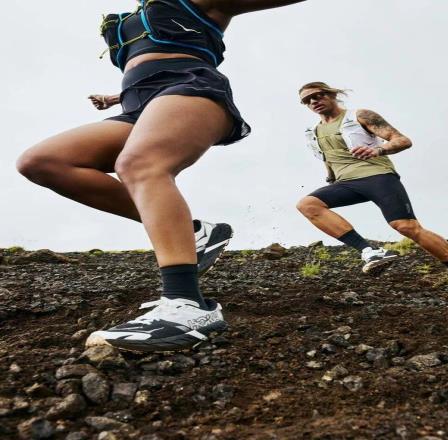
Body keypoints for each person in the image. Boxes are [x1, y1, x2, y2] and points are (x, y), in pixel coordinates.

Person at [16, 0, 307, 352]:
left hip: (190, 89)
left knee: (137, 163)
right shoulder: (128, 20)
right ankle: (194, 232)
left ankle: (187, 305)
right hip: (138, 106)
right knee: (41, 161)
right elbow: (147, 59)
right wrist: (116, 97)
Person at [296, 82, 448, 290]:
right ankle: (370, 252)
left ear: (332, 95)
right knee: (307, 205)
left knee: (406, 227)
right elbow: (329, 158)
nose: (314, 101)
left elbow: (402, 140)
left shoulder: (359, 116)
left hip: (378, 177)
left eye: (318, 95)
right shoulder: (313, 132)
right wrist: (331, 177)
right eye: (307, 100)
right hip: (346, 183)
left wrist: (379, 150)